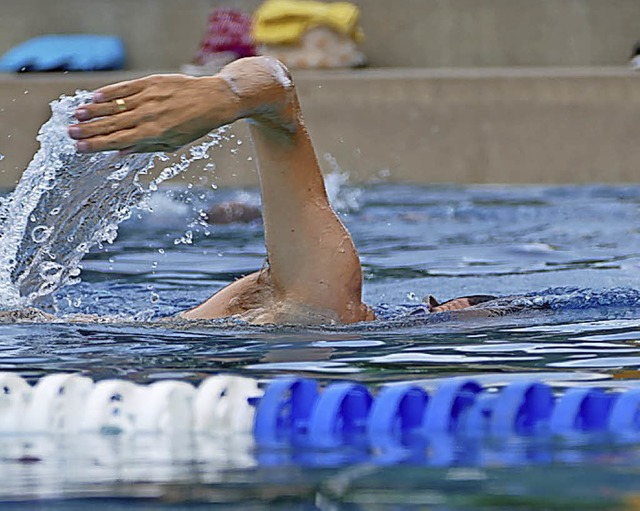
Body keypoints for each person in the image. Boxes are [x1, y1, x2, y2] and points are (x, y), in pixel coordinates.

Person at [68, 56, 487, 325]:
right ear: (448, 305)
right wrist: (227, 93)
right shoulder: (330, 303)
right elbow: (276, 90)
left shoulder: (314, 304)